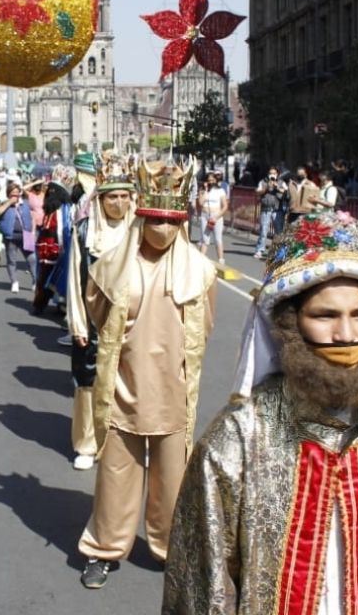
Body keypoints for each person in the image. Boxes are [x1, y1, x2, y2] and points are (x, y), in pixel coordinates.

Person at [162, 210, 358, 614]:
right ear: (290, 324)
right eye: (325, 316)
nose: (346, 335)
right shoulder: (241, 435)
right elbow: (203, 581)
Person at [78, 159, 217, 590]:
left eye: (171, 222)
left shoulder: (200, 270)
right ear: (143, 218)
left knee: (174, 479)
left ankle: (170, 548)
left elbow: (205, 327)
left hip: (173, 392)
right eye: (154, 220)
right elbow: (98, 313)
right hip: (123, 389)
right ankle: (103, 548)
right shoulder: (110, 267)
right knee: (116, 475)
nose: (162, 229)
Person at [66, 153, 136, 471]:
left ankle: (124, 441)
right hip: (95, 320)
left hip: (133, 320)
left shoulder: (141, 233)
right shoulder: (84, 232)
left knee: (130, 383)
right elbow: (73, 278)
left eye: (124, 196)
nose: (118, 204)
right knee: (89, 382)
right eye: (112, 197)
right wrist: (78, 323)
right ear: (101, 199)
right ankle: (87, 442)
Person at [32, 182, 71, 315]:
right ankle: (40, 303)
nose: (49, 194)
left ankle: (60, 304)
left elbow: (63, 229)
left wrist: (63, 247)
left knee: (59, 275)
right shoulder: (49, 209)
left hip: (58, 245)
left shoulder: (63, 209)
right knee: (44, 275)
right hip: (45, 246)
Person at [0, 181, 34, 294]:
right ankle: (14, 282)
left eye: (17, 193)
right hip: (11, 236)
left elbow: (32, 216)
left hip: (26, 235)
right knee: (12, 260)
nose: (15, 196)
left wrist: (32, 231)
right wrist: (9, 203)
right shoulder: (4, 203)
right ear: (8, 194)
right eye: (12, 193)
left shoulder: (25, 204)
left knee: (32, 259)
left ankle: (35, 281)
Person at [197, 171, 229, 263]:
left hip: (216, 216)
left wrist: (217, 216)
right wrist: (205, 190)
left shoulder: (220, 191)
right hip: (205, 215)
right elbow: (200, 203)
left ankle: (221, 260)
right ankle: (200, 259)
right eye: (208, 180)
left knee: (218, 239)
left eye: (212, 180)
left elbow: (225, 206)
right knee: (205, 239)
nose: (210, 182)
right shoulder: (203, 190)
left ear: (215, 180)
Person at [254, 167, 286, 259]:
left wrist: (278, 187)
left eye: (274, 173)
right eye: (270, 173)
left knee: (278, 231)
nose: (272, 175)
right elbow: (257, 192)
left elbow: (286, 193)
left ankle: (278, 252)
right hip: (266, 209)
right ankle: (259, 250)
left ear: (277, 174)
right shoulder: (263, 182)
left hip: (277, 209)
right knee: (264, 230)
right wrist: (266, 188)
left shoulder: (281, 182)